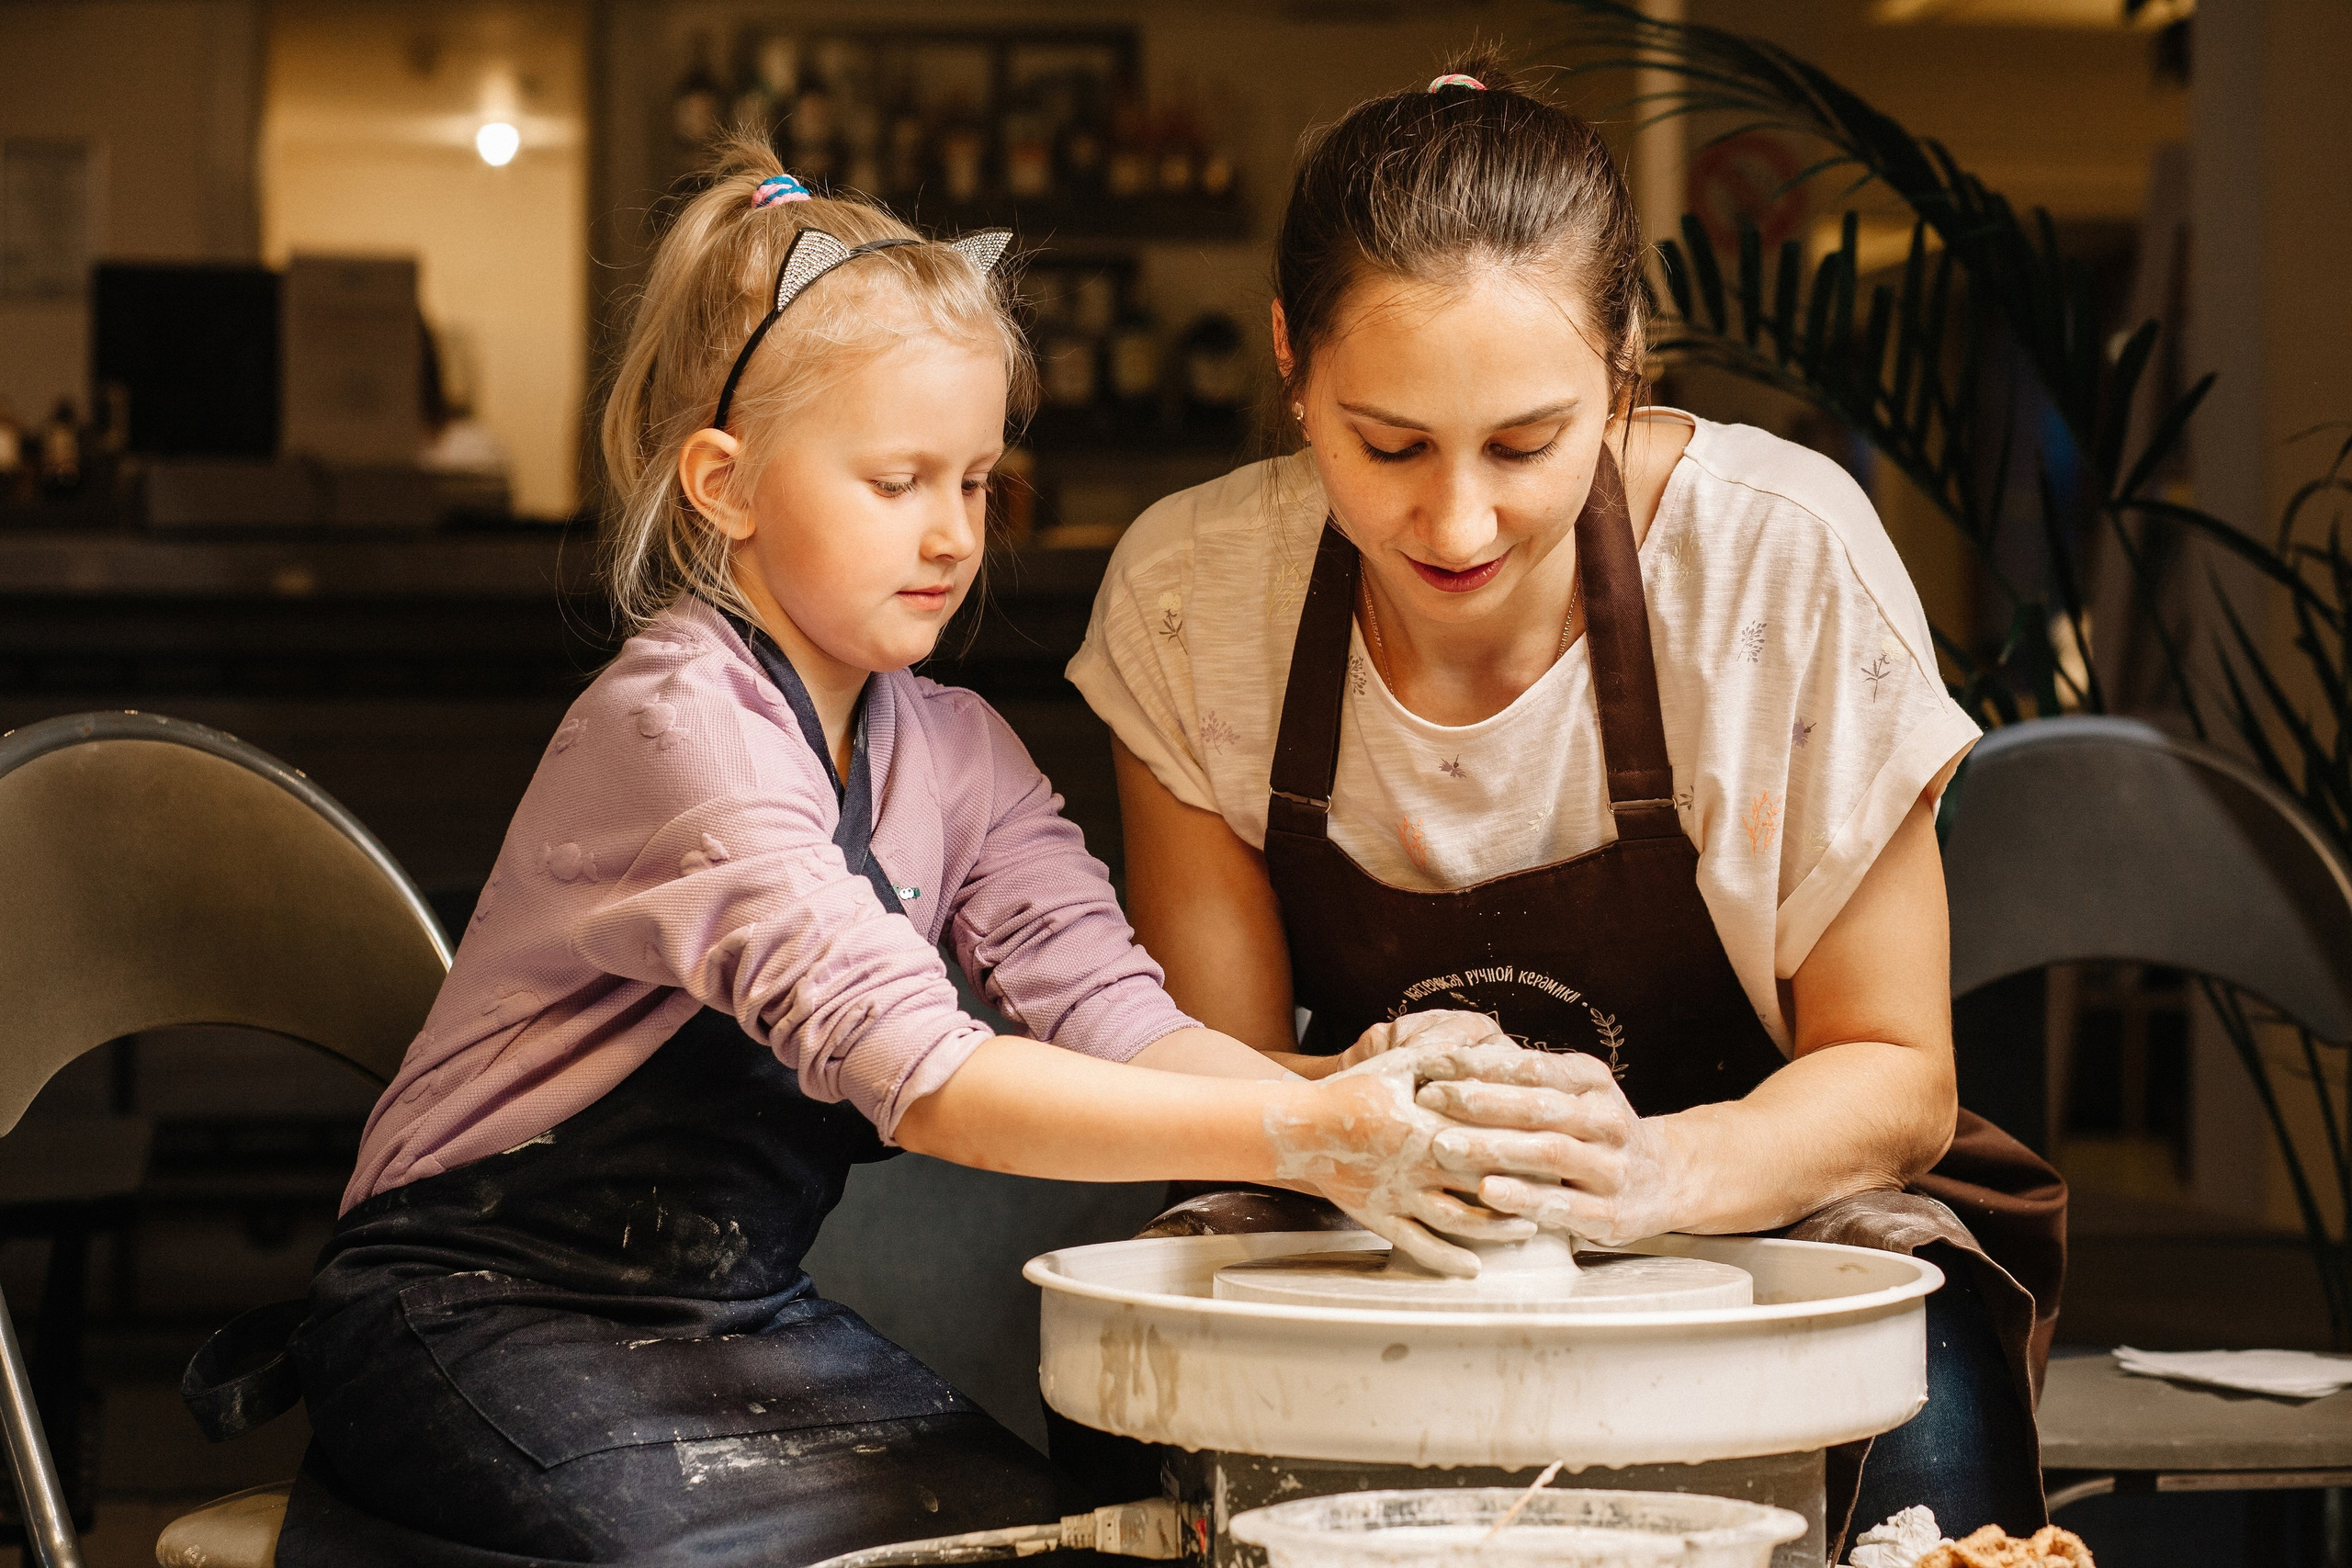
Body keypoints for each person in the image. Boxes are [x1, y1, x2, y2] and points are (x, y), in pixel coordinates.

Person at [268, 148, 1583, 1567]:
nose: (954, 535)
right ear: (726, 484)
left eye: (975, 480)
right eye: (896, 482)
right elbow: (932, 1083)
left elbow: (1127, 1032)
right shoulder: (678, 729)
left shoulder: (957, 751)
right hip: (467, 1306)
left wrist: (1368, 1089)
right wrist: (1306, 1135)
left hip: (731, 1318)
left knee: (1045, 1546)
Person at [1068, 61, 2065, 1550]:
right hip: (1352, 1199)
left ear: (1625, 362)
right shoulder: (1189, 599)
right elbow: (1216, 1089)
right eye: (1386, 445)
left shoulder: (1776, 562)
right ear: (1290, 362)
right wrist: (1378, 1108)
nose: (1457, 522)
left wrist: (1652, 1172)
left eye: (1528, 445)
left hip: (1768, 1195)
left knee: (1931, 1423)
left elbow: (1896, 1072)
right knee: (1135, 1437)